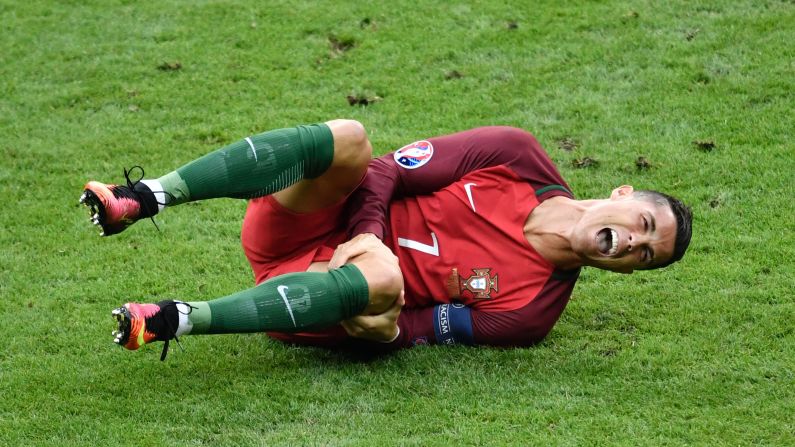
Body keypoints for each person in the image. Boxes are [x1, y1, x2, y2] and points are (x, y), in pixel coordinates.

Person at [80, 120, 692, 360]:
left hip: (319, 295)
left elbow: (414, 331)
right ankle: (145, 197)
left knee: (385, 281)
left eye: (644, 255)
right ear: (621, 195)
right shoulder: (515, 154)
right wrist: (369, 235)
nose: (632, 243)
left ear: (626, 273)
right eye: (643, 224)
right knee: (350, 138)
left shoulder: (530, 314)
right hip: (310, 225)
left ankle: (171, 319)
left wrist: (385, 331)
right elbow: (386, 169)